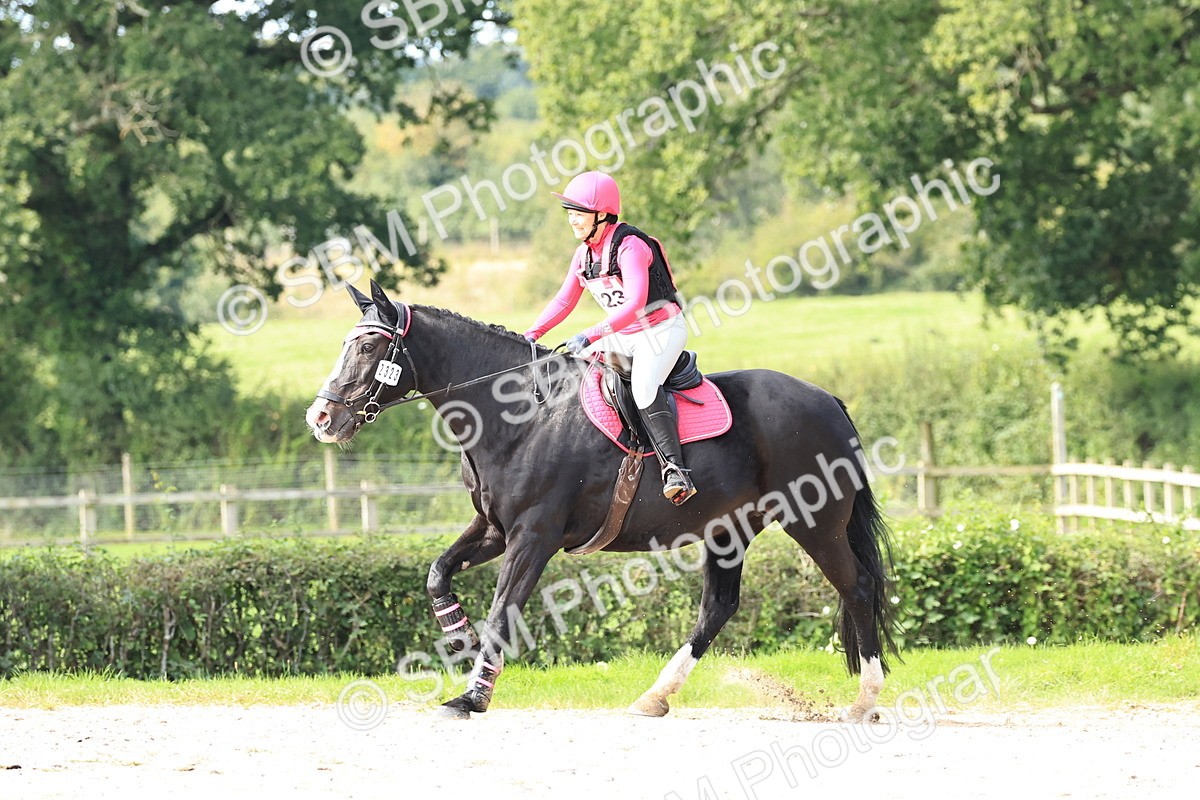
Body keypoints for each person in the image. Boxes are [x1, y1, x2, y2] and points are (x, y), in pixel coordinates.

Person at [523, 171, 697, 505]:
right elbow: (564, 301)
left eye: (579, 213)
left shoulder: (630, 247)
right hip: (623, 335)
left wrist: (590, 334)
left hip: (660, 331)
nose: (572, 220)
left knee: (644, 387)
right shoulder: (584, 254)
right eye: (570, 212)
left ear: (601, 214)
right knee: (574, 371)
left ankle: (675, 470)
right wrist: (533, 332)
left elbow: (634, 304)